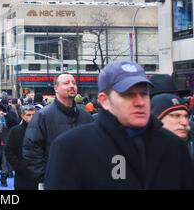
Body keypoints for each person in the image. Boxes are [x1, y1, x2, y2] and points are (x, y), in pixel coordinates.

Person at [44, 61, 194, 189]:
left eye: (143, 93)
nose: (140, 102)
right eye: (128, 95)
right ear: (104, 100)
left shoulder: (173, 145)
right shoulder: (70, 147)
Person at [23, 73, 93, 188]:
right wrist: (47, 176)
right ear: (56, 88)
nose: (72, 86)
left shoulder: (86, 116)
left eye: (74, 83)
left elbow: (93, 148)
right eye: (66, 83)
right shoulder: (42, 116)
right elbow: (31, 149)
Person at [151, 93, 194, 163]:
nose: (185, 122)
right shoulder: (143, 150)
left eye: (186, 116)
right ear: (158, 120)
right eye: (176, 116)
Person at [5, 104, 36, 190]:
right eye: (28, 115)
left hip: (39, 172)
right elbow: (8, 150)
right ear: (22, 116)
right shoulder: (15, 131)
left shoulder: (42, 130)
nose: (32, 117)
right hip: (22, 173)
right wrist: (18, 166)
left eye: (34, 114)